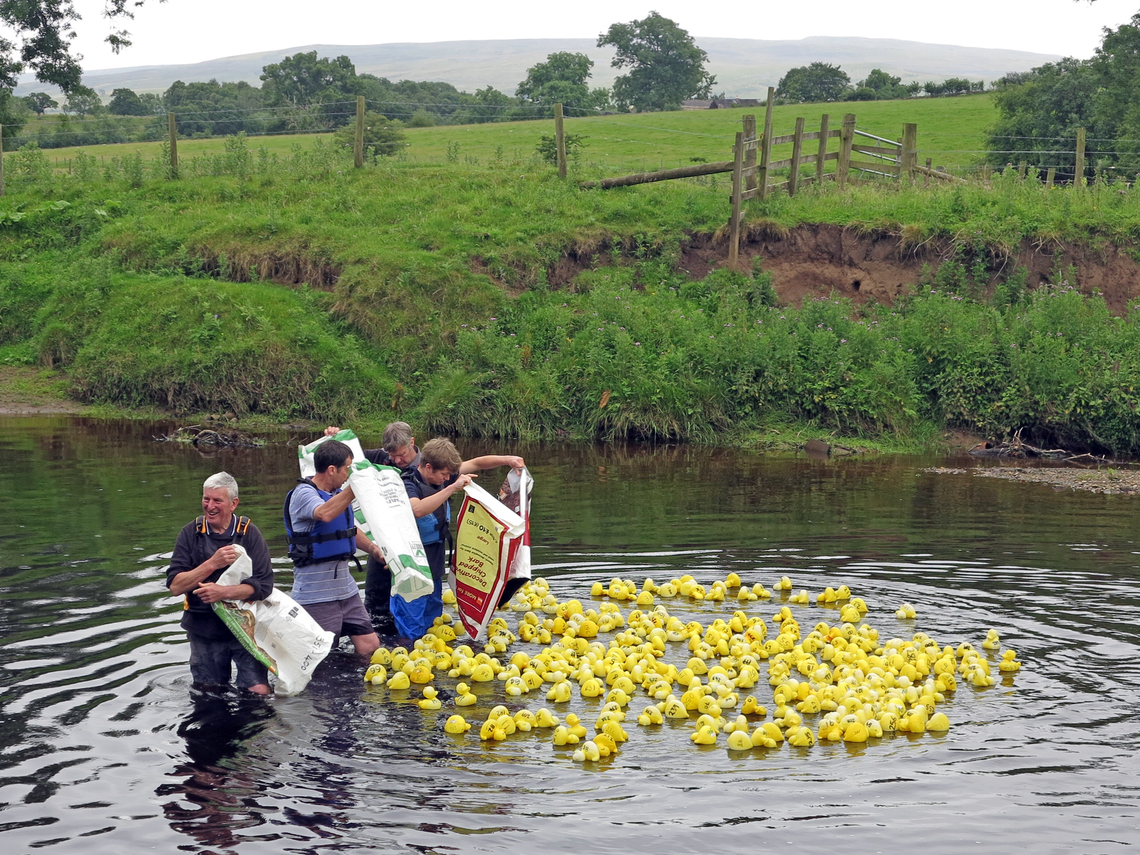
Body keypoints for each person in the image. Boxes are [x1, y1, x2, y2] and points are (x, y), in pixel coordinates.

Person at [397, 437, 525, 641]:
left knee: (433, 608)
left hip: (435, 553)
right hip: (412, 557)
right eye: (444, 475)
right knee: (413, 611)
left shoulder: (443, 474)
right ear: (428, 467)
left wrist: (508, 460)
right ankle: (408, 645)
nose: (447, 478)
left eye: (450, 475)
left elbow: (477, 463)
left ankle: (428, 643)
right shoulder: (407, 482)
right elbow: (417, 509)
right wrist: (452, 487)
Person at [167, 472, 275, 695]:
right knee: (209, 694)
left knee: (258, 691)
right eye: (206, 499)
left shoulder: (249, 534)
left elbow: (264, 586)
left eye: (217, 500)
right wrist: (211, 564)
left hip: (246, 629)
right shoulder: (189, 534)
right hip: (204, 630)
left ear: (234, 504)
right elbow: (175, 586)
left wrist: (223, 592)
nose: (210, 506)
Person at [283, 439, 382, 657]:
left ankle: (356, 679)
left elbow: (348, 530)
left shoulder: (337, 494)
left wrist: (373, 549)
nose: (349, 474)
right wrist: (355, 488)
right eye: (347, 468)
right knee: (322, 657)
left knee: (370, 646)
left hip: (346, 590)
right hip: (315, 595)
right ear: (331, 470)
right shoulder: (303, 493)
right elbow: (324, 514)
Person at [323, 422, 419, 634]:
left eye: (401, 455)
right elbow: (342, 459)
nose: (397, 460)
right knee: (375, 605)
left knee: (412, 600)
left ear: (412, 443)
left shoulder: (427, 465)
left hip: (413, 543)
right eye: (392, 456)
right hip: (381, 542)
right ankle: (378, 637)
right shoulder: (376, 457)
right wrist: (334, 438)